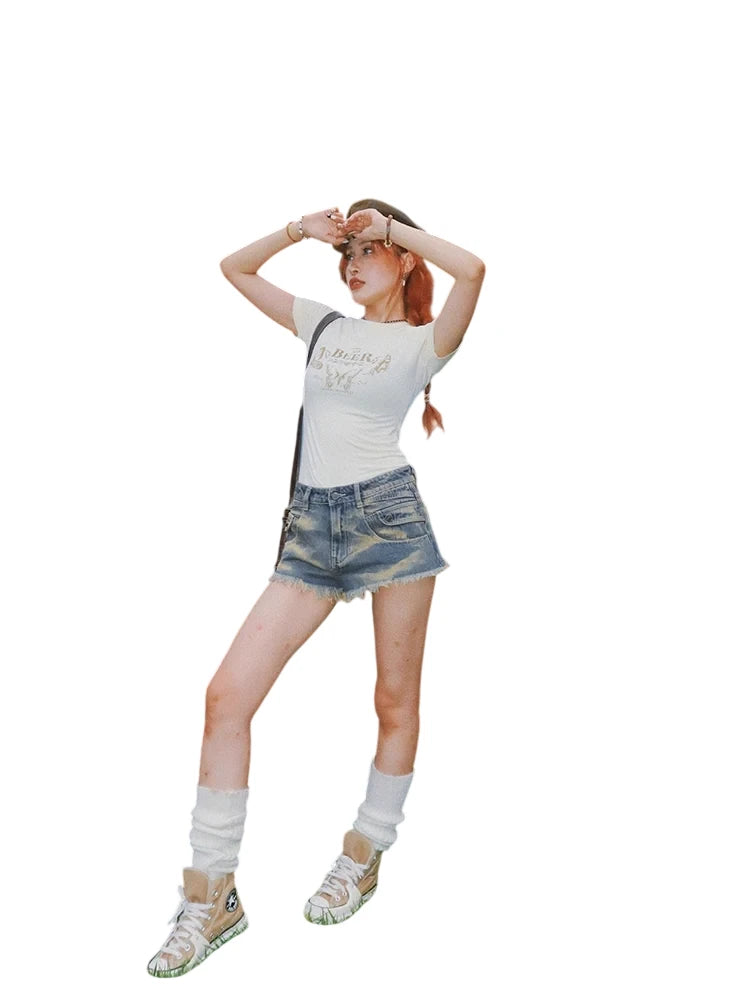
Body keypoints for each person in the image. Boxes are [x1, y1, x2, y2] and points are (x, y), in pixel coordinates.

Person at [147, 199, 485, 976]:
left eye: (368, 251)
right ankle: (211, 895)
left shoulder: (425, 343)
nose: (353, 264)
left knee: (394, 701)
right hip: (313, 528)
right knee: (226, 697)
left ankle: (364, 851)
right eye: (347, 255)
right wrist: (302, 231)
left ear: (402, 257)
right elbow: (234, 268)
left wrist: (389, 226)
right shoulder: (324, 325)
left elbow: (473, 270)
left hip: (388, 520)